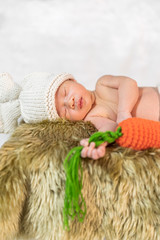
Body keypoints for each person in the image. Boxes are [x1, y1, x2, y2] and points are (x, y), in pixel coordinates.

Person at [0, 72, 159, 159]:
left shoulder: (102, 84)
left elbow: (129, 83)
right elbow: (111, 127)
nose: (70, 102)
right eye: (64, 110)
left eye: (65, 92)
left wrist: (124, 111)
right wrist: (98, 143)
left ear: (72, 80)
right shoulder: (92, 118)